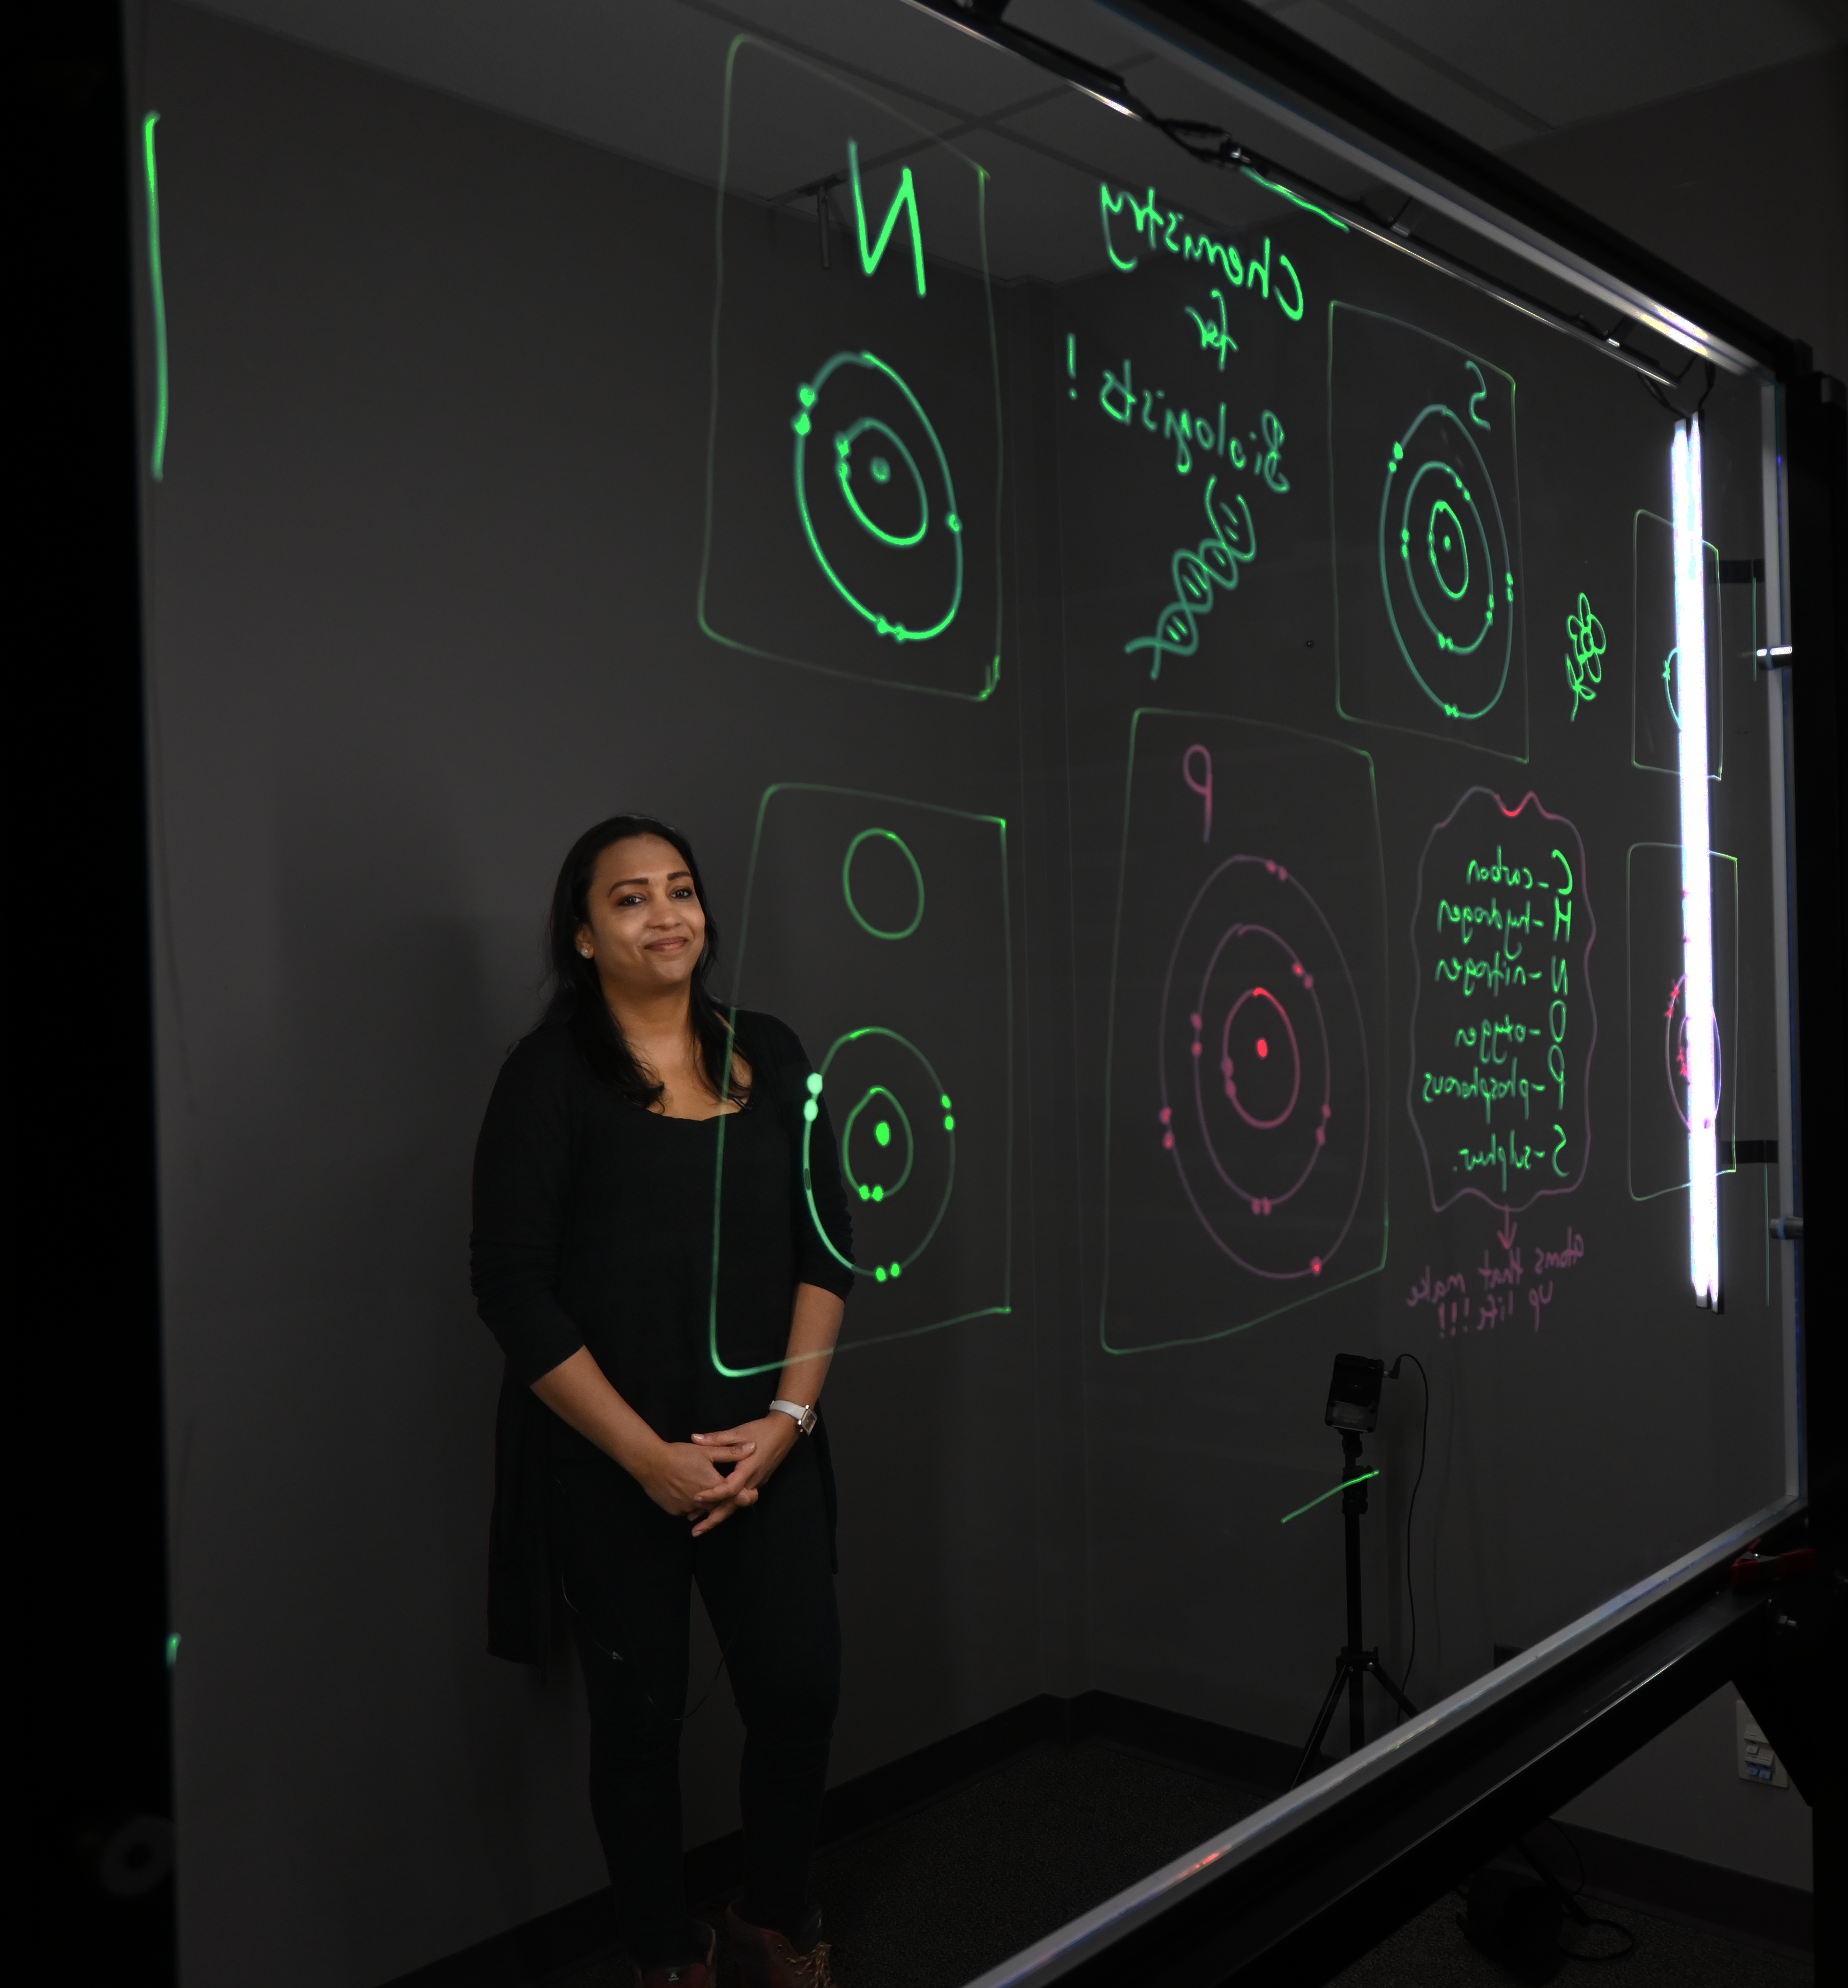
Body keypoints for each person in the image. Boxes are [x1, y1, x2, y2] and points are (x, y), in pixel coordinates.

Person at [471, 814, 852, 1988]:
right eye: (629, 897)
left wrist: (784, 1426)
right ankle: (661, 1953)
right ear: (582, 935)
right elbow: (510, 1288)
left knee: (798, 1689)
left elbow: (830, 1246)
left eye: (679, 888)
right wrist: (649, 1458)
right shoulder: (549, 1079)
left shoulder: (773, 1052)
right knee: (638, 1730)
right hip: (611, 1466)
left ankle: (774, 1911)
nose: (665, 913)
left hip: (766, 1458)